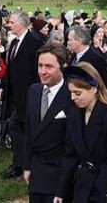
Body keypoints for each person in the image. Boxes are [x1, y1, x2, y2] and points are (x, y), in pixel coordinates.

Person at [54, 63, 107, 203]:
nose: (72, 97)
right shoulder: (74, 113)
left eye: (78, 93)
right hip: (82, 187)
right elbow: (70, 155)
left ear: (94, 89)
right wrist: (61, 191)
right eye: (70, 92)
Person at [22, 43, 72, 203]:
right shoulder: (34, 91)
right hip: (37, 171)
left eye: (49, 66)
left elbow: (73, 145)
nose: (42, 71)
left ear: (63, 66)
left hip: (60, 173)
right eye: (40, 65)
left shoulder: (73, 95)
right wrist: (27, 166)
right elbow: (29, 131)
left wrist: (64, 184)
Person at [4, 10, 46, 179]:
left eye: (12, 22)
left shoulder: (35, 42)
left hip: (29, 95)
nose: (9, 24)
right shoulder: (14, 43)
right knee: (17, 128)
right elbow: (11, 69)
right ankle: (20, 164)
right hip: (16, 95)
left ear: (21, 23)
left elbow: (39, 71)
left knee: (20, 128)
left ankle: (23, 165)